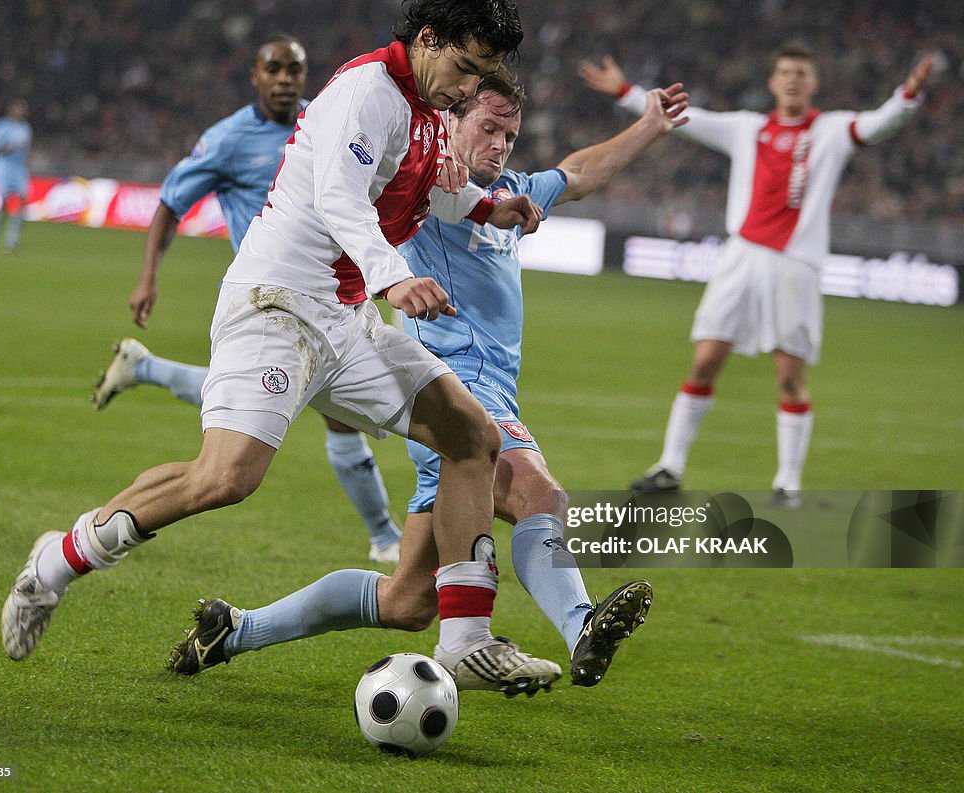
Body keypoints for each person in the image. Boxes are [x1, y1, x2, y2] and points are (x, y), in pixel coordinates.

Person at [2, 0, 564, 697]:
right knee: (226, 478)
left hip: (345, 318)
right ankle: (57, 560)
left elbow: (422, 191)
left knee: (470, 434)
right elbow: (339, 196)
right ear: (427, 39)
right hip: (277, 306)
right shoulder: (370, 93)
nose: (468, 87)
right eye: (464, 67)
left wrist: (486, 207)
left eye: (481, 74)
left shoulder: (422, 109)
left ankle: (467, 642)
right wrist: (395, 276)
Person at [166, 68, 688, 690]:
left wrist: (650, 126)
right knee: (539, 495)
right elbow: (359, 179)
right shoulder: (420, 187)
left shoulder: (514, 195)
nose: (498, 144)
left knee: (406, 602)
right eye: (487, 129)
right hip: (446, 393)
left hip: (478, 396)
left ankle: (235, 629)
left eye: (510, 135)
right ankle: (582, 629)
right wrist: (433, 156)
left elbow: (578, 173)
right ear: (451, 119)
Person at [89, 35, 403, 563]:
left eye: (295, 70)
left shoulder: (329, 120)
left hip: (330, 300)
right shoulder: (230, 139)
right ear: (255, 76)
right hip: (268, 302)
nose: (285, 80)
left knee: (273, 407)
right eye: (273, 69)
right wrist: (148, 279)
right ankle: (385, 538)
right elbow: (169, 203)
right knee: (276, 430)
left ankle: (142, 369)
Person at [580, 44, 933, 507]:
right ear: (772, 81)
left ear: (813, 83)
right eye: (784, 71)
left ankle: (788, 481)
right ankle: (670, 466)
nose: (791, 79)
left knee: (789, 375)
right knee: (705, 360)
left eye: (800, 73)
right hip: (741, 258)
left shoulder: (831, 131)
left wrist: (907, 95)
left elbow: (881, 122)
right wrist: (626, 91)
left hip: (795, 266)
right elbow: (688, 119)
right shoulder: (747, 128)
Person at [0, 98, 32, 253]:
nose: (20, 111)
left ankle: (12, 240)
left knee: (22, 200)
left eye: (22, 109)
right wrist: (7, 148)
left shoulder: (26, 128)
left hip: (19, 167)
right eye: (18, 108)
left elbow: (26, 149)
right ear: (11, 109)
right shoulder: (2, 126)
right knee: (2, 202)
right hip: (3, 165)